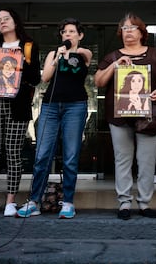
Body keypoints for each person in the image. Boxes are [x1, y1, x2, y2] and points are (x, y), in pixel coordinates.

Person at [94, 13, 156, 220]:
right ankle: (124, 203)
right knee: (122, 159)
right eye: (124, 28)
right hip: (119, 116)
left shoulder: (155, 55)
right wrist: (115, 65)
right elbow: (99, 81)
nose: (128, 31)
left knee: (147, 160)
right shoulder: (112, 56)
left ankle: (145, 203)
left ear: (141, 32)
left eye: (132, 27)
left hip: (148, 115)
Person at [16, 17, 92, 219]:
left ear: (80, 35)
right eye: (64, 32)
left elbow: (84, 55)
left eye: (72, 32)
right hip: (50, 106)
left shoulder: (85, 53)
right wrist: (58, 56)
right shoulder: (54, 53)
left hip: (75, 106)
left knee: (70, 156)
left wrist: (70, 51)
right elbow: (45, 77)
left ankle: (68, 202)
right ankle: (34, 201)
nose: (67, 35)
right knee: (41, 155)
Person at [0, 8, 41, 217]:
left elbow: (35, 79)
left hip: (17, 106)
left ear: (15, 21)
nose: (2, 22)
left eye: (6, 19)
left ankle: (11, 201)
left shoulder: (28, 46)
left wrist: (22, 62)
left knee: (14, 153)